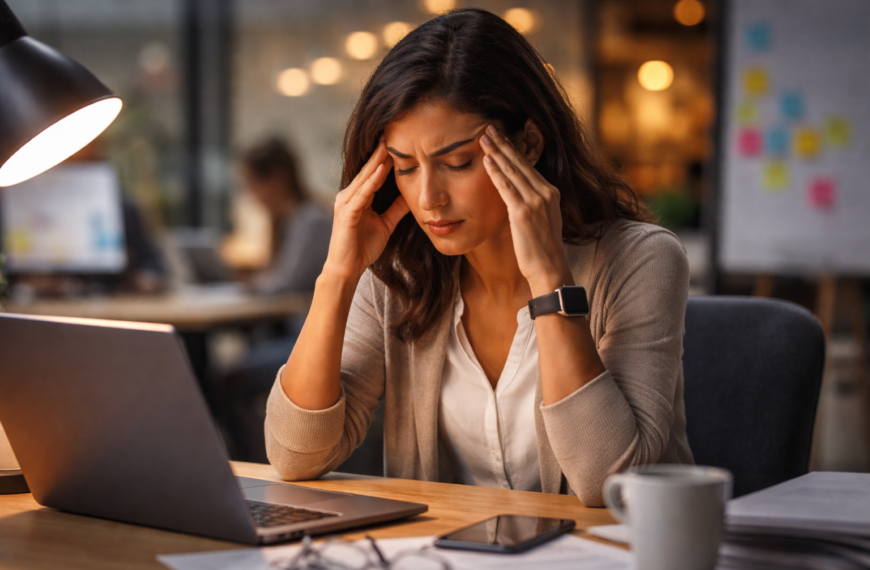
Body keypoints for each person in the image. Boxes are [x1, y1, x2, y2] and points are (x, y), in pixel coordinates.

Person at [264, 9, 693, 506]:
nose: (428, 198)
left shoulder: (641, 261)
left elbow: (608, 482)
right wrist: (338, 276)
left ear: (528, 143)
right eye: (404, 167)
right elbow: (294, 456)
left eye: (457, 163)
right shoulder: (400, 273)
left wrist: (551, 278)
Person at [239, 138, 332, 295]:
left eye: (254, 183)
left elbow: (289, 283)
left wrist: (248, 285)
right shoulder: (285, 221)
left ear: (279, 178)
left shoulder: (312, 221)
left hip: (305, 316)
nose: (251, 194)